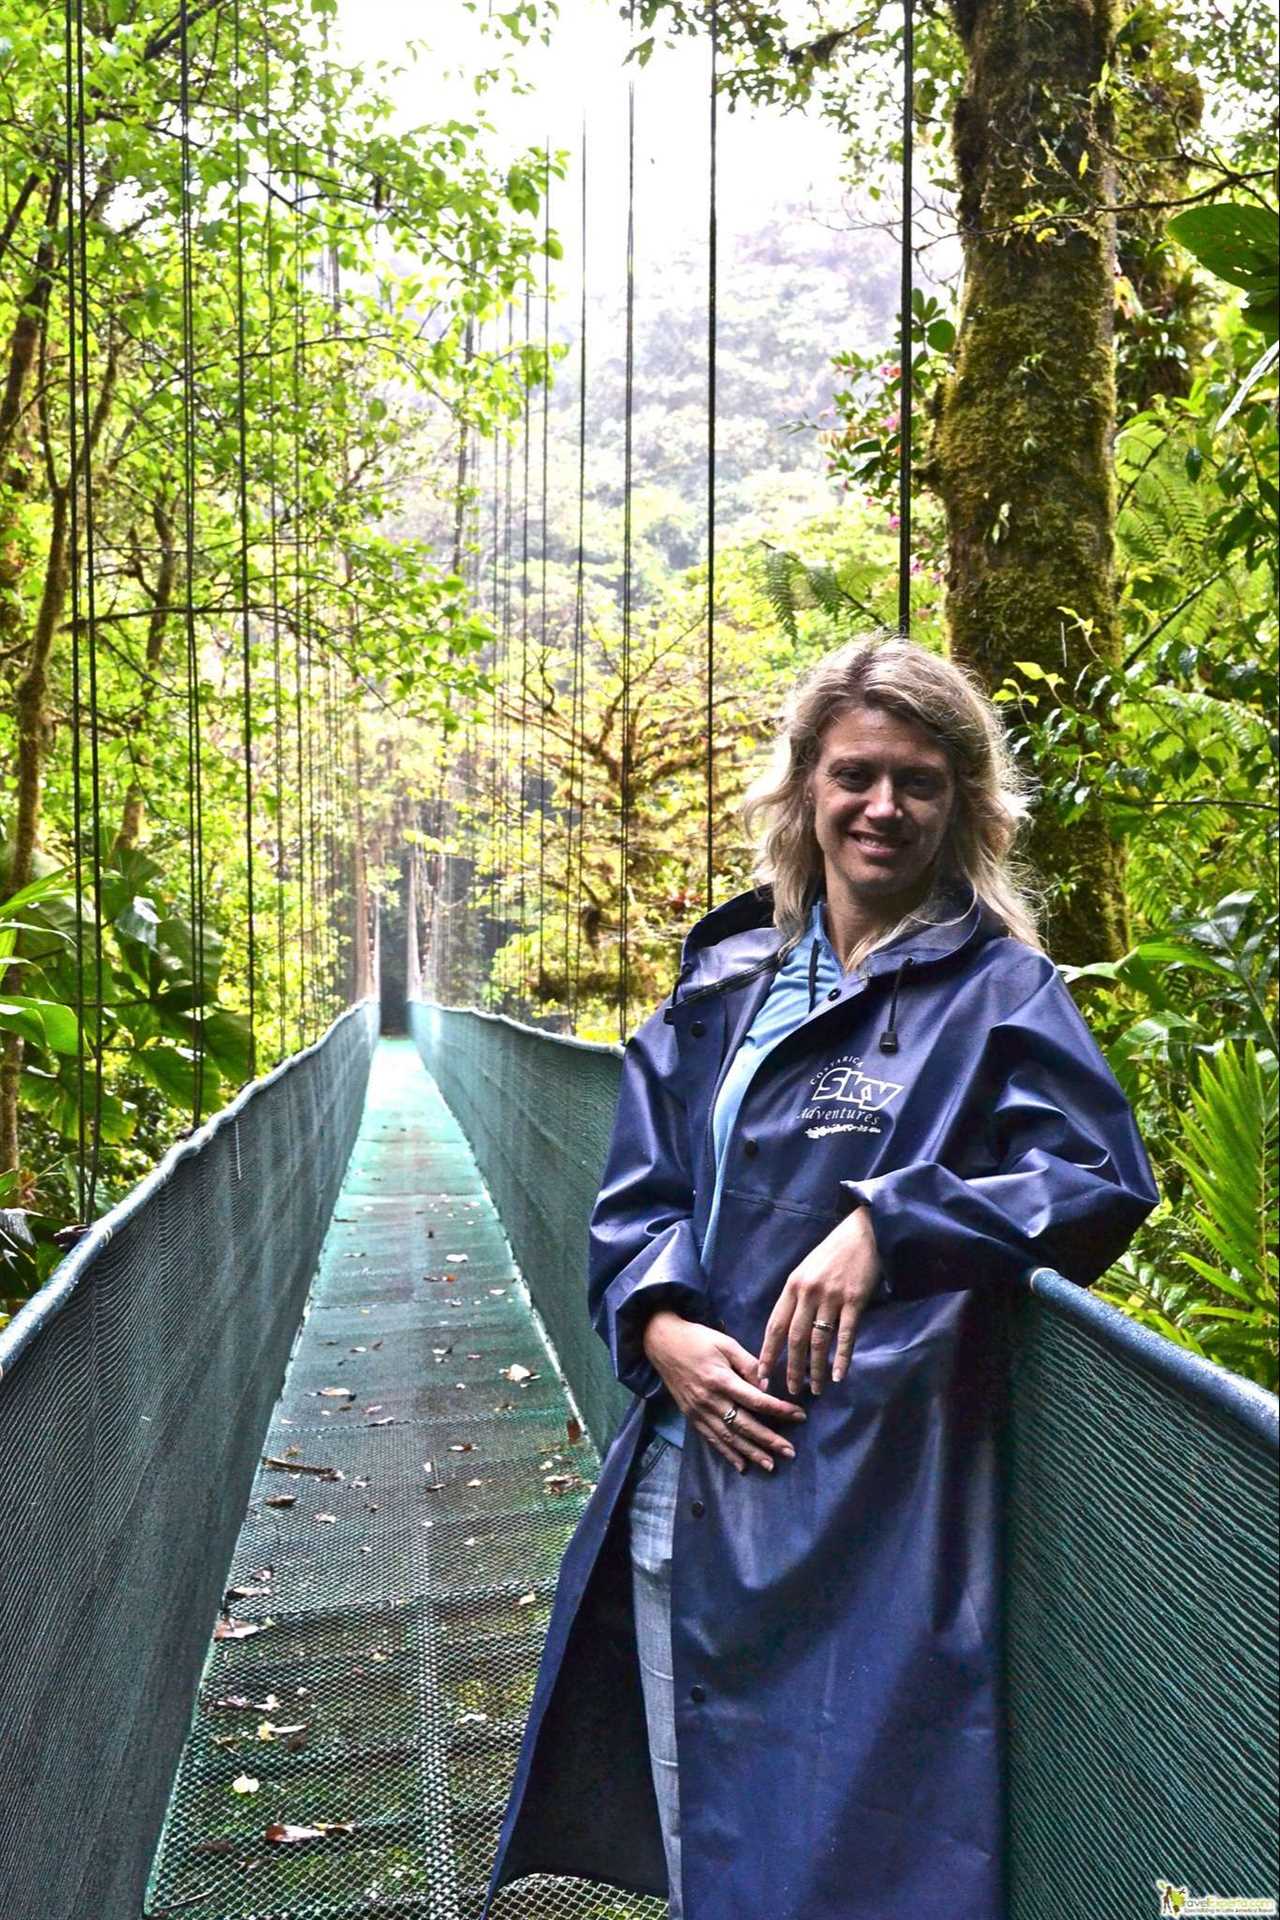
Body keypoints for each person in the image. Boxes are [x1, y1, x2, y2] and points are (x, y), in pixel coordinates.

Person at [482, 635, 1158, 1920]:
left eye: (918, 780)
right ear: (802, 791)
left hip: (873, 1491)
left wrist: (888, 1221)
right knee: (705, 1827)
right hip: (693, 1465)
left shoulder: (1001, 993)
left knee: (857, 1841)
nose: (882, 808)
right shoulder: (726, 981)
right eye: (854, 775)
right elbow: (639, 1195)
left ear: (964, 803)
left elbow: (1095, 1179)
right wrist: (660, 1319)